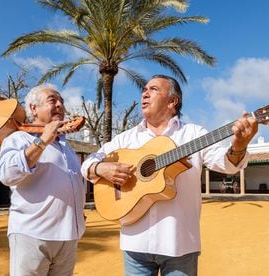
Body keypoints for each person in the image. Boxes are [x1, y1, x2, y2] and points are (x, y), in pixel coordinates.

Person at [80, 75, 258, 275]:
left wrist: (239, 147)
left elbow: (226, 163)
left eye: (153, 89)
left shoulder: (194, 134)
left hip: (179, 245)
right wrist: (101, 169)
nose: (144, 93)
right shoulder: (125, 139)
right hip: (134, 244)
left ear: (173, 101)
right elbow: (88, 162)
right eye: (144, 89)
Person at [0, 83, 86, 276]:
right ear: (33, 109)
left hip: (69, 237)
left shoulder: (67, 148)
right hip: (32, 235)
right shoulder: (19, 139)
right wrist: (42, 141)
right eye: (52, 100)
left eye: (61, 101)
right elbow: (6, 174)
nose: (60, 105)